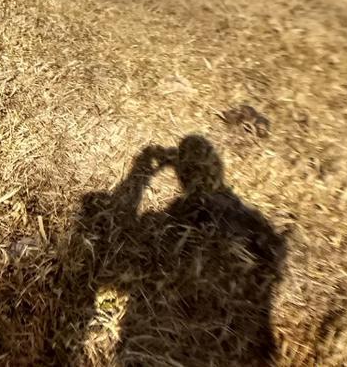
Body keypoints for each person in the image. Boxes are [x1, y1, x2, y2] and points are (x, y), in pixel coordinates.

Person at [58, 135, 286, 365]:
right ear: (217, 170)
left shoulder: (172, 222)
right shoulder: (256, 225)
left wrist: (142, 172)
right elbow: (273, 269)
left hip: (172, 350)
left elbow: (121, 270)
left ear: (181, 174)